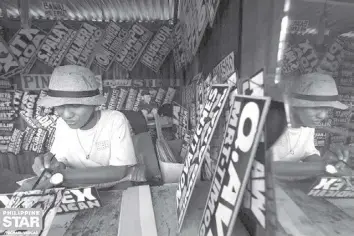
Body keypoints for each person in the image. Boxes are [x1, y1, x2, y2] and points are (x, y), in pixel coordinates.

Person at [19, 65, 142, 191]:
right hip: (81, 187)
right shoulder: (62, 124)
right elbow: (60, 161)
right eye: (60, 106)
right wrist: (50, 165)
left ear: (93, 104)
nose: (66, 115)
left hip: (116, 185)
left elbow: (119, 171)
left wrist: (61, 175)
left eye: (76, 105)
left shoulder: (115, 120)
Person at [268, 72, 353, 179]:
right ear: (295, 105)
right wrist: (322, 167)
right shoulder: (274, 122)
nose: (323, 115)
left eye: (327, 108)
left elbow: (308, 154)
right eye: (315, 108)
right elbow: (269, 166)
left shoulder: (307, 125)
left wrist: (330, 163)